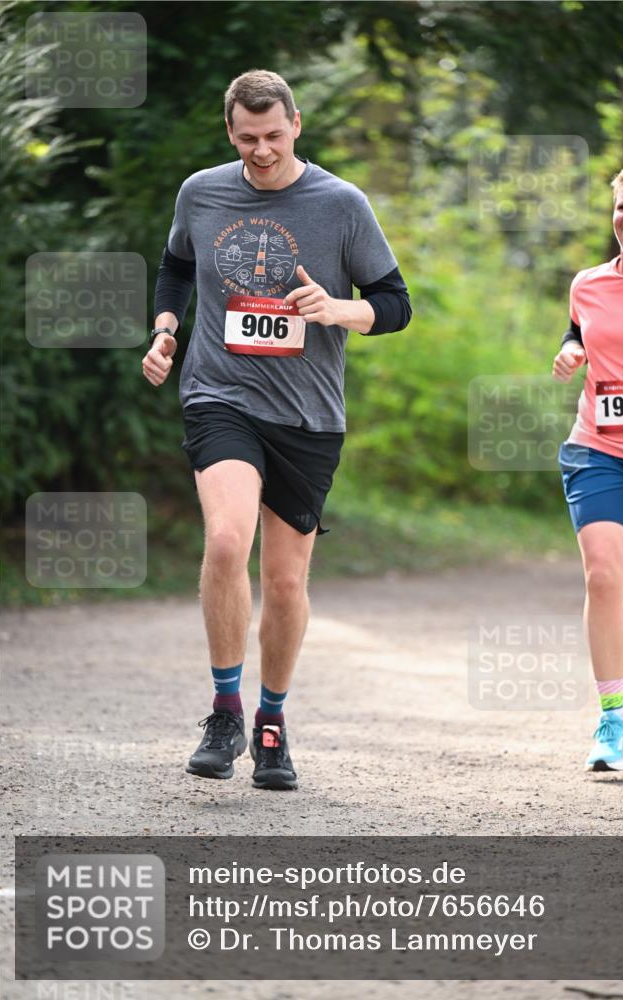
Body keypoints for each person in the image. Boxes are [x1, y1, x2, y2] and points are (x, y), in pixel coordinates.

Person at [142, 70, 411, 790]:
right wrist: (166, 330)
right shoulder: (201, 192)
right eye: (246, 137)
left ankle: (271, 721)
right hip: (218, 394)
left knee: (285, 580)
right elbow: (174, 268)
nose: (261, 151)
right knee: (227, 538)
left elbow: (394, 303)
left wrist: (338, 308)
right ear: (229, 132)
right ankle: (226, 710)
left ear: (296, 124)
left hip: (308, 413)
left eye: (273, 135)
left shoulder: (340, 204)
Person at [552, 166, 623, 772]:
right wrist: (572, 351)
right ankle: (612, 718)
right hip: (600, 448)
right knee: (601, 575)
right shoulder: (588, 283)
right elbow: (578, 332)